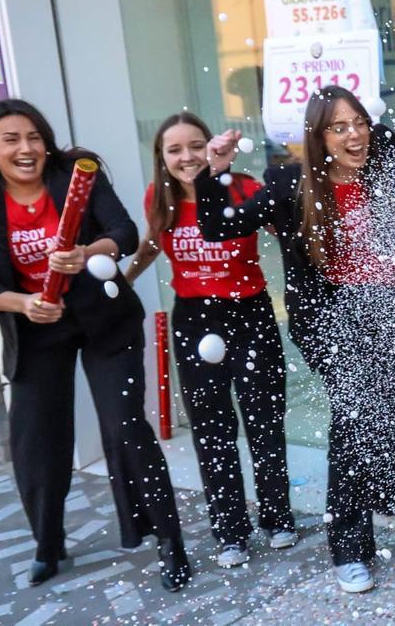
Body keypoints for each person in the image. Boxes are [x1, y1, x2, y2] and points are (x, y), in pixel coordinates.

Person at [0, 99, 190, 591]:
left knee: (126, 427)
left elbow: (123, 233)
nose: (26, 148)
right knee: (36, 442)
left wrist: (87, 252)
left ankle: (169, 540)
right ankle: (49, 543)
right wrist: (18, 303)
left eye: (34, 137)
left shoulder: (75, 174)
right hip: (35, 328)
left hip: (104, 320)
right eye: (11, 140)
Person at [195, 86, 395, 594]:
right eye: (338, 128)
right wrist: (215, 171)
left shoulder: (384, 162)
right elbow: (217, 227)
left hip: (385, 308)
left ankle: (386, 493)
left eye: (358, 122)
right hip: (327, 318)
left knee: (384, 406)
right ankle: (348, 545)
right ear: (317, 137)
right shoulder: (290, 182)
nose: (354, 134)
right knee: (354, 417)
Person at [123, 112, 296, 568]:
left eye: (195, 146)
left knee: (264, 421)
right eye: (174, 149)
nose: (187, 157)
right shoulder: (156, 197)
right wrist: (122, 281)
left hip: (251, 315)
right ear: (162, 157)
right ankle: (230, 531)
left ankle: (278, 518)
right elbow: (153, 244)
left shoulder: (241, 188)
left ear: (212, 147)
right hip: (195, 319)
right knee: (212, 430)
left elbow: (285, 231)